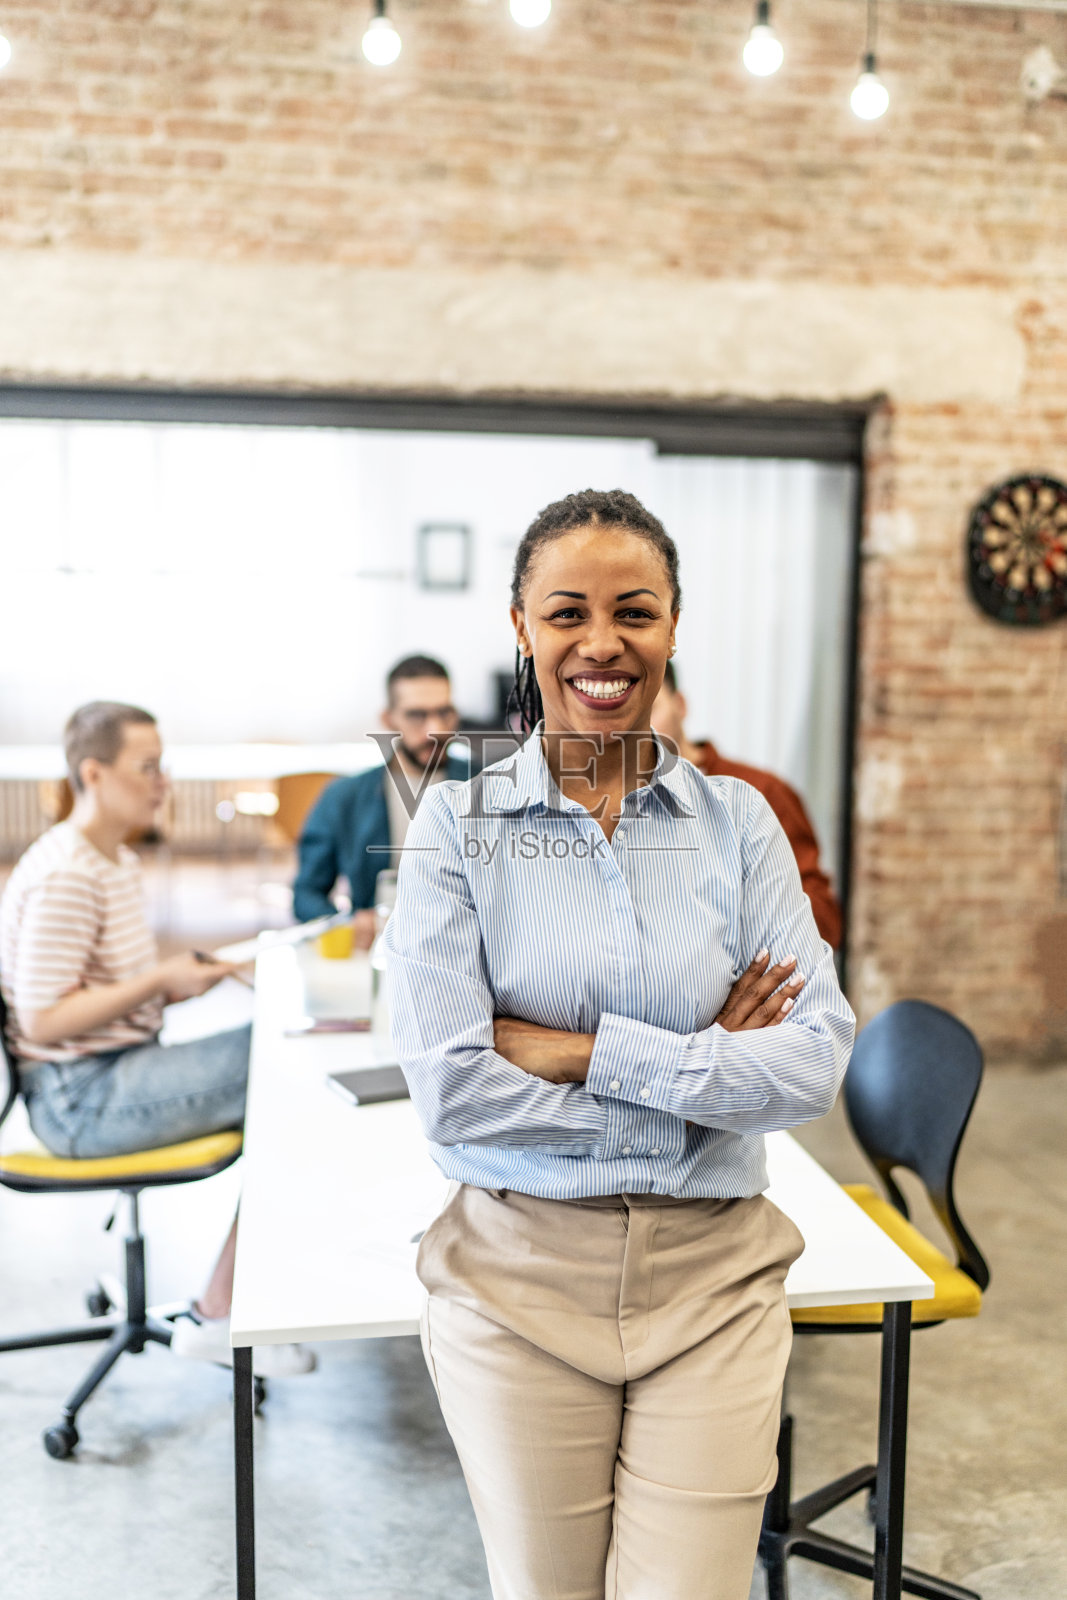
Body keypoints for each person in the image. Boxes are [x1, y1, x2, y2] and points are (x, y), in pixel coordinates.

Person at [384, 489, 855, 1600]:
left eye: (633, 610)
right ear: (520, 627)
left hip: (715, 1280)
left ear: (673, 627)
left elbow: (812, 1061)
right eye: (567, 612)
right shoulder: (458, 827)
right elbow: (454, 1095)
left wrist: (574, 1051)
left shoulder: (740, 826)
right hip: (515, 1275)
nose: (601, 642)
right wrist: (701, 1067)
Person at [0, 702, 313, 1377]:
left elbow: (99, 987)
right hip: (79, 1098)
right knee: (289, 1065)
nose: (162, 781)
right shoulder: (66, 873)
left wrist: (176, 979)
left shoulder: (107, 856)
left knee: (283, 1052)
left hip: (115, 1068)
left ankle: (227, 1298)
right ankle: (221, 1308)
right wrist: (156, 983)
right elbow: (42, 1020)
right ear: (94, 772)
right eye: (147, 767)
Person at [653, 660, 843, 948]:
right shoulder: (611, 807)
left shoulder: (760, 791)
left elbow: (824, 920)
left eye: (650, 710)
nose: (638, 729)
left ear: (680, 705)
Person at [292, 655, 471, 939]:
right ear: (388, 719)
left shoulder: (487, 784)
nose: (435, 729)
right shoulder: (345, 797)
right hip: (380, 950)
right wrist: (346, 923)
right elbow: (306, 894)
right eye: (417, 715)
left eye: (444, 712)